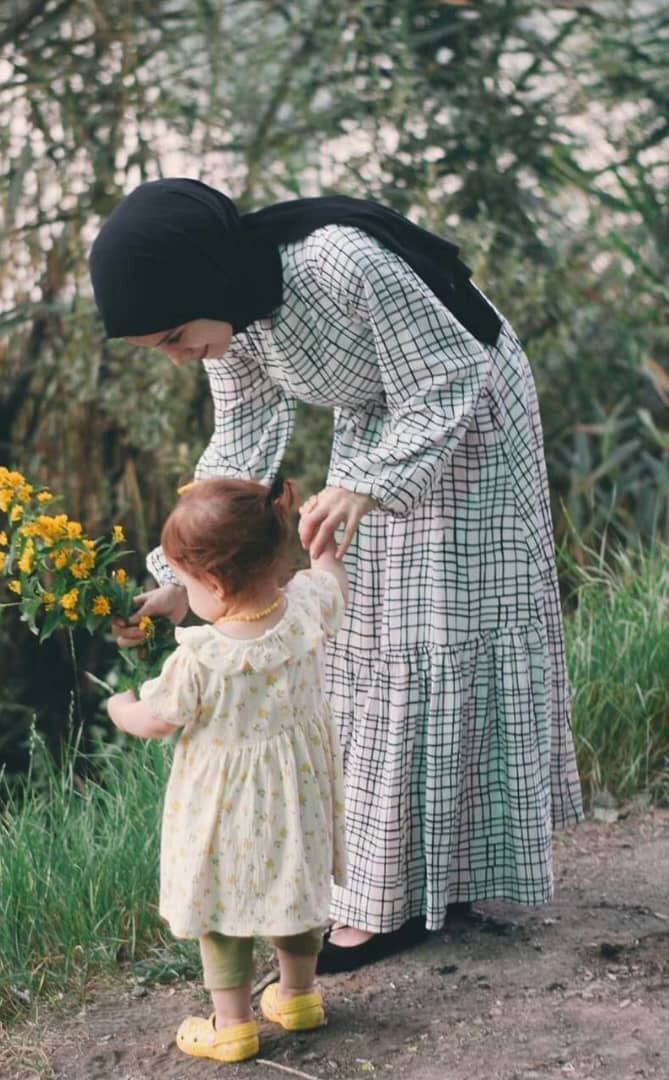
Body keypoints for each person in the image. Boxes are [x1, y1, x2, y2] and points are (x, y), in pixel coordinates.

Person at [92, 177, 583, 974]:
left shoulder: (340, 263)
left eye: (177, 336)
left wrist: (367, 483)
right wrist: (179, 580)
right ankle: (400, 884)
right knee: (366, 634)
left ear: (205, 281)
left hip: (471, 413)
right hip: (380, 424)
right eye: (161, 348)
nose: (179, 356)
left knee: (437, 629)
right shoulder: (228, 319)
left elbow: (450, 373)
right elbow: (240, 446)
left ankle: (413, 898)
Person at [107, 476, 348, 1063]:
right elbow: (331, 578)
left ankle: (233, 1025)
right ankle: (299, 996)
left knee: (220, 904)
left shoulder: (202, 658)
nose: (185, 594)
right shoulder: (306, 609)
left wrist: (121, 708)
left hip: (225, 809)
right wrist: (322, 547)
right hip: (296, 797)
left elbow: (157, 721)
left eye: (186, 583)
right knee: (294, 883)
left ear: (214, 583)